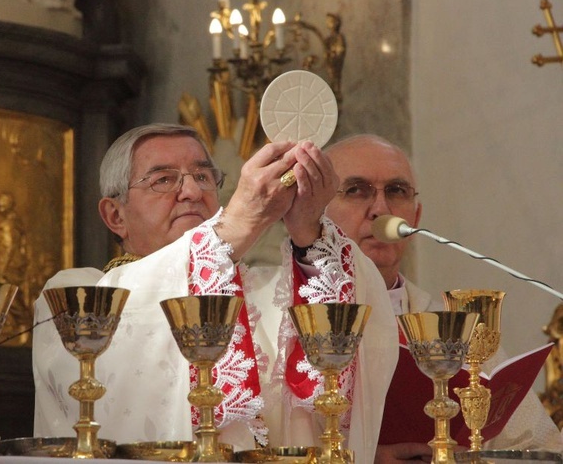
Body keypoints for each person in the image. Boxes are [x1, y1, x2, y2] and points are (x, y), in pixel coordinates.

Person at [33, 124, 398, 462]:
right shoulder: (75, 293)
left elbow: (361, 313)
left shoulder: (270, 290)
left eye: (204, 176)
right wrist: (239, 224)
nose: (191, 192)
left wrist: (309, 231)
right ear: (115, 215)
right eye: (163, 180)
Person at [324, 134, 563, 461]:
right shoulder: (276, 322)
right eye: (355, 190)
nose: (380, 208)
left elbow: (543, 449)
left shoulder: (457, 330)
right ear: (316, 215)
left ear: (416, 217)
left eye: (396, 191)